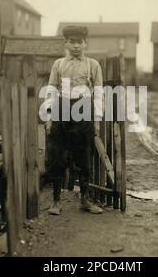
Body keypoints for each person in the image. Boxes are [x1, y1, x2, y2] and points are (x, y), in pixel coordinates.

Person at [44, 25, 104, 215]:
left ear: (85, 44)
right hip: (61, 110)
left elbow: (99, 94)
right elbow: (51, 90)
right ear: (66, 43)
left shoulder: (92, 65)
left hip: (83, 110)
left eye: (80, 42)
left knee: (83, 157)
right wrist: (48, 118)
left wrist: (96, 120)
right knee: (58, 157)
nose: (76, 46)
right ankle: (56, 202)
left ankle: (85, 200)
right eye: (72, 42)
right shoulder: (59, 64)